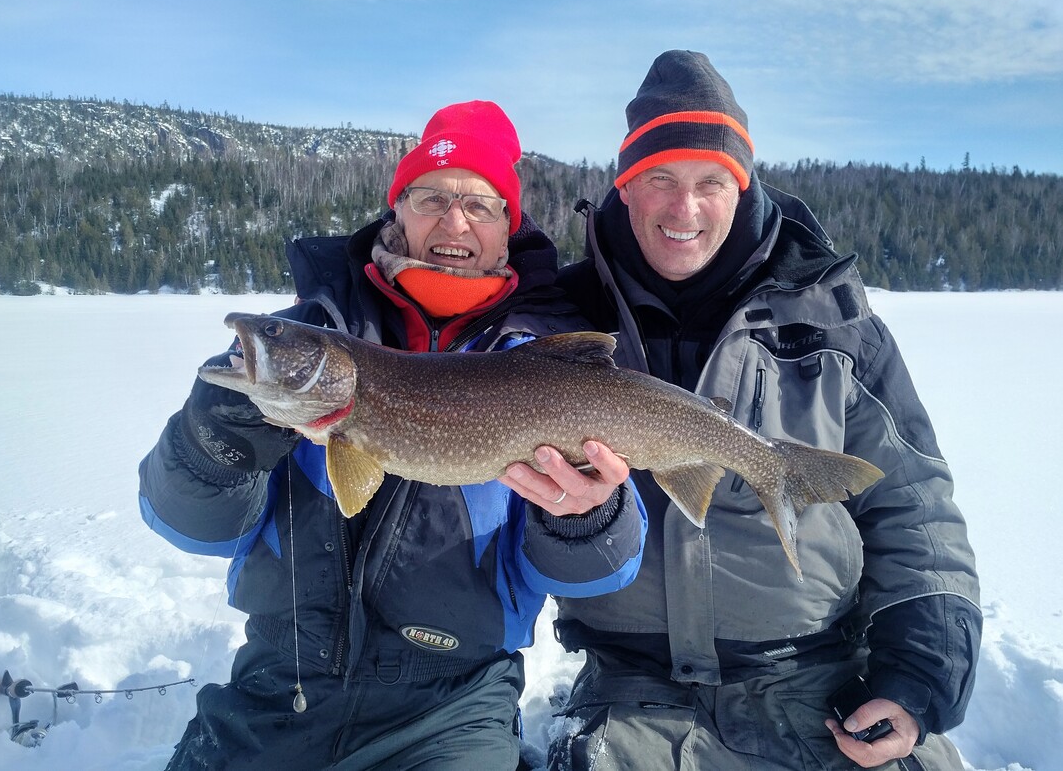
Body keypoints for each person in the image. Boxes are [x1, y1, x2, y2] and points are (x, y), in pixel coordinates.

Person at [501, 51, 981, 770]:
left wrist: (916, 678)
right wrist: (577, 519)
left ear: (743, 184)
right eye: (658, 179)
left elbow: (914, 506)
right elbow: (508, 528)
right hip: (631, 692)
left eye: (709, 182)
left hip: (818, 684)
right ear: (624, 190)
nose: (683, 209)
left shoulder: (832, 322)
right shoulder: (560, 327)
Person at [138, 100, 646, 771]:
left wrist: (589, 517)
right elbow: (192, 529)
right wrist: (216, 443)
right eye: (431, 197)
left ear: (507, 228)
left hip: (455, 706)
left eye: (481, 206)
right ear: (397, 209)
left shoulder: (548, 361)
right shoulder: (306, 335)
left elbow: (604, 570)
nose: (453, 221)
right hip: (277, 688)